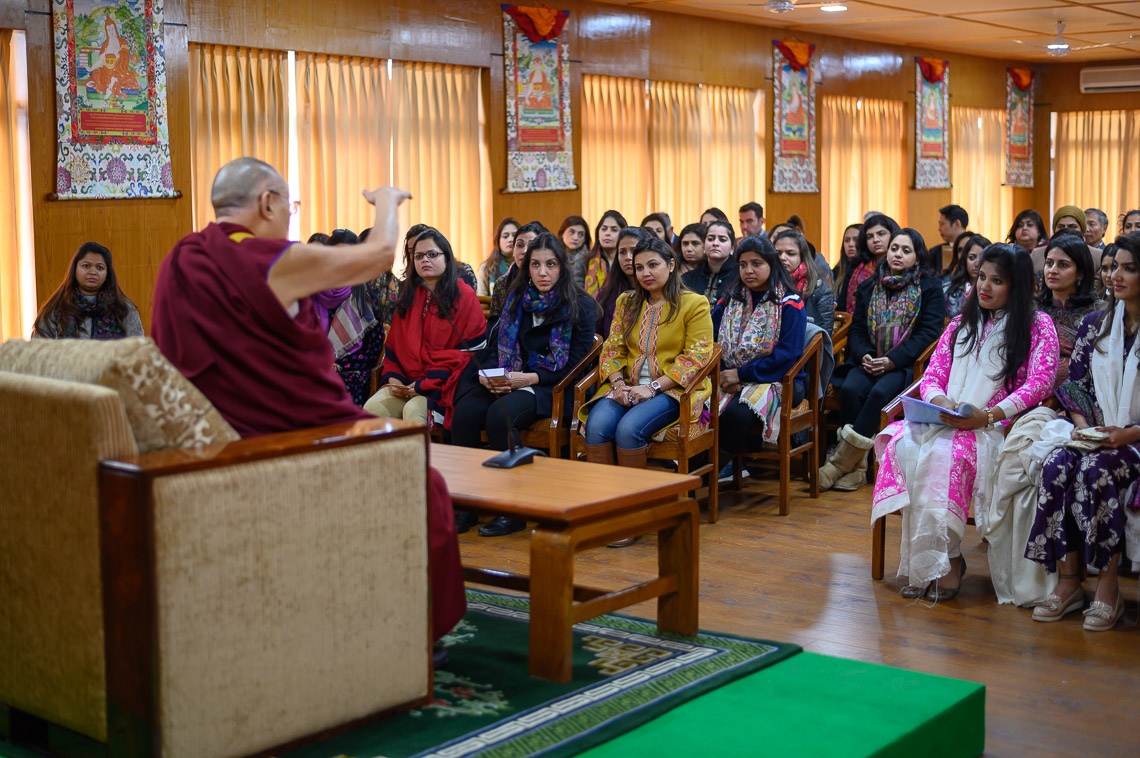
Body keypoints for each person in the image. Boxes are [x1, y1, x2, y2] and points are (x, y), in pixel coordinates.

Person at [151, 157, 464, 643]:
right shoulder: (272, 260)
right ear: (267, 202)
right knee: (426, 484)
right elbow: (380, 253)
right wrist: (386, 201)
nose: (290, 218)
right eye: (288, 206)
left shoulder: (181, 261)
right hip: (295, 437)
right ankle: (419, 630)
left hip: (216, 439)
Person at [871, 243, 1057, 601]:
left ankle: (948, 563)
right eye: (981, 277)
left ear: (1016, 286)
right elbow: (933, 375)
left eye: (997, 280)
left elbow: (1040, 383)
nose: (984, 287)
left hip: (998, 427)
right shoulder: (960, 324)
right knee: (901, 445)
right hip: (948, 419)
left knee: (943, 456)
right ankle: (933, 561)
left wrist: (986, 416)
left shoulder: (1038, 325)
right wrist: (942, 404)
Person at [1025, 234, 1140, 630]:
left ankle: (1109, 586)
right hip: (1099, 431)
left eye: (1128, 268)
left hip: (1134, 440)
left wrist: (1126, 435)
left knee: (1098, 469)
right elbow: (1076, 388)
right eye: (1112, 268)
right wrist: (1084, 429)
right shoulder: (1098, 324)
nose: (1116, 276)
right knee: (1057, 462)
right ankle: (1069, 582)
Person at [451, 232, 598, 536]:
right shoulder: (518, 298)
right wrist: (489, 375)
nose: (543, 272)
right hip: (511, 376)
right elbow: (497, 348)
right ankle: (466, 505)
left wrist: (529, 379)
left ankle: (512, 508)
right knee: (465, 411)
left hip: (551, 385)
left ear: (563, 267)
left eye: (551, 264)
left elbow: (575, 365)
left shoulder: (580, 304)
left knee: (499, 414)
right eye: (536, 265)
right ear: (527, 267)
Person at [982, 233, 1100, 606]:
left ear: (1081, 274)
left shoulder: (1097, 315)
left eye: (1062, 264)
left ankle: (1059, 575)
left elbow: (1089, 375)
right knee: (1024, 456)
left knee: (1046, 458)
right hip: (1032, 403)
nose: (1052, 270)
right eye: (1048, 262)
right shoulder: (1031, 312)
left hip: (1078, 407)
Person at [821, 228, 946, 492]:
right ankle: (858, 469)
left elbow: (928, 334)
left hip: (904, 365)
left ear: (918, 257)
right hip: (868, 360)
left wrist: (891, 360)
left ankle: (838, 466)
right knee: (851, 389)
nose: (897, 254)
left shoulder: (929, 288)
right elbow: (856, 330)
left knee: (880, 393)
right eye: (894, 248)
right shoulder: (870, 286)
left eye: (906, 250)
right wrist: (864, 354)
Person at [580, 236, 714, 479]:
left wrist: (652, 388)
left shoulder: (694, 304)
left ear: (671, 265)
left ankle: (637, 503)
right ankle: (602, 500)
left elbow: (695, 359)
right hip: (627, 387)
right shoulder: (627, 302)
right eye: (639, 267)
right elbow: (613, 349)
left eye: (653, 265)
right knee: (596, 426)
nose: (645, 273)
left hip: (672, 391)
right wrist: (619, 385)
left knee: (629, 429)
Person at [364, 227, 486, 430]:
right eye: (418, 256)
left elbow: (471, 353)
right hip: (406, 381)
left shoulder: (464, 295)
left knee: (413, 411)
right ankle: (384, 462)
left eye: (432, 254)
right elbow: (395, 345)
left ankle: (419, 462)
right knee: (371, 409)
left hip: (444, 385)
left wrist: (424, 385)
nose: (425, 260)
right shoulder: (409, 295)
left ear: (446, 257)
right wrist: (394, 379)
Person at [714, 235, 807, 461]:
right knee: (702, 407)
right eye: (743, 265)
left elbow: (787, 356)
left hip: (780, 379)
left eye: (757, 264)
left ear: (771, 264)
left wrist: (741, 374)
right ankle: (704, 469)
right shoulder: (729, 299)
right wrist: (726, 375)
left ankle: (711, 471)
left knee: (736, 414)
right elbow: (711, 340)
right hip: (730, 377)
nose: (748, 271)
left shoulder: (790, 302)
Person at [318, 229, 394, 406]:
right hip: (316, 364)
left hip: (352, 371)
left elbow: (374, 345)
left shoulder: (365, 294)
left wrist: (339, 366)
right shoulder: (313, 291)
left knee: (330, 385)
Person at [33, 241, 144, 340]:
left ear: (107, 274)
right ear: (74, 269)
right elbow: (38, 353)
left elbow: (137, 352)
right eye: (86, 266)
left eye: (99, 268)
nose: (93, 272)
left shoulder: (123, 308)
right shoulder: (56, 308)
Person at [773, 228, 835, 334]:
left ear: (802, 257)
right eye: (778, 253)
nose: (782, 257)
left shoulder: (820, 290)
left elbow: (822, 337)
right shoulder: (766, 283)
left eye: (790, 253)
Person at [837, 213, 899, 315]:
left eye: (881, 234)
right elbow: (842, 307)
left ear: (893, 234)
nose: (875, 240)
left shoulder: (901, 266)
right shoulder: (855, 267)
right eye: (870, 237)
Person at [489, 221, 547, 322]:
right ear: (513, 251)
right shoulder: (502, 283)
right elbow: (494, 324)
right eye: (520, 245)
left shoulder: (548, 280)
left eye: (531, 245)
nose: (524, 251)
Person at [596, 227, 647, 337]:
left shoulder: (657, 293)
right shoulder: (606, 294)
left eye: (633, 251)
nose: (628, 257)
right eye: (622, 252)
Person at [683, 220, 737, 305]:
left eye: (722, 240)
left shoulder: (739, 277)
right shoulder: (688, 278)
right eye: (710, 239)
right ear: (704, 245)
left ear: (732, 248)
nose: (715, 243)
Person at [576, 210, 626, 297]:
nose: (607, 233)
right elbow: (577, 293)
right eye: (604, 229)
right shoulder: (584, 261)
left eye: (614, 230)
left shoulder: (628, 261)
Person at [943, 233, 987, 319]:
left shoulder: (994, 290)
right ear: (964, 259)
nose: (977, 263)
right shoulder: (947, 290)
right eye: (972, 258)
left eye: (982, 258)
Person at [476, 217, 519, 296]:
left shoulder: (527, 266)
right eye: (505, 236)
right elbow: (482, 300)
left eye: (514, 236)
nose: (510, 239)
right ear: (498, 240)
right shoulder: (486, 267)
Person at [831, 223, 863, 307]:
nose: (851, 244)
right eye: (847, 240)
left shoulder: (869, 270)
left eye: (856, 240)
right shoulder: (837, 271)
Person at [932, 204, 969, 272]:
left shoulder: (978, 248)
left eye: (942, 224)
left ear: (957, 224)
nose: (939, 229)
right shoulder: (934, 253)